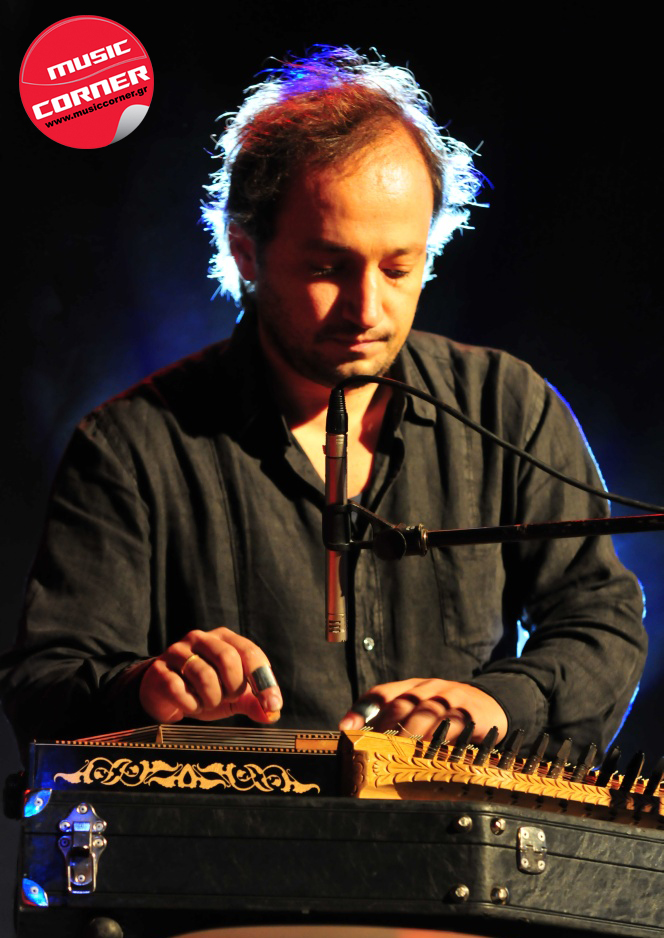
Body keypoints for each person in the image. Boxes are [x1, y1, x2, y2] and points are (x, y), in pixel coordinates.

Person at [0, 46, 646, 763]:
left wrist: (499, 704)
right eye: (327, 268)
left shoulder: (507, 406)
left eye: (398, 267)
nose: (367, 309)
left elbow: (602, 619)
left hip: (454, 832)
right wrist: (145, 690)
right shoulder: (130, 446)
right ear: (245, 251)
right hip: (236, 837)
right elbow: (44, 684)